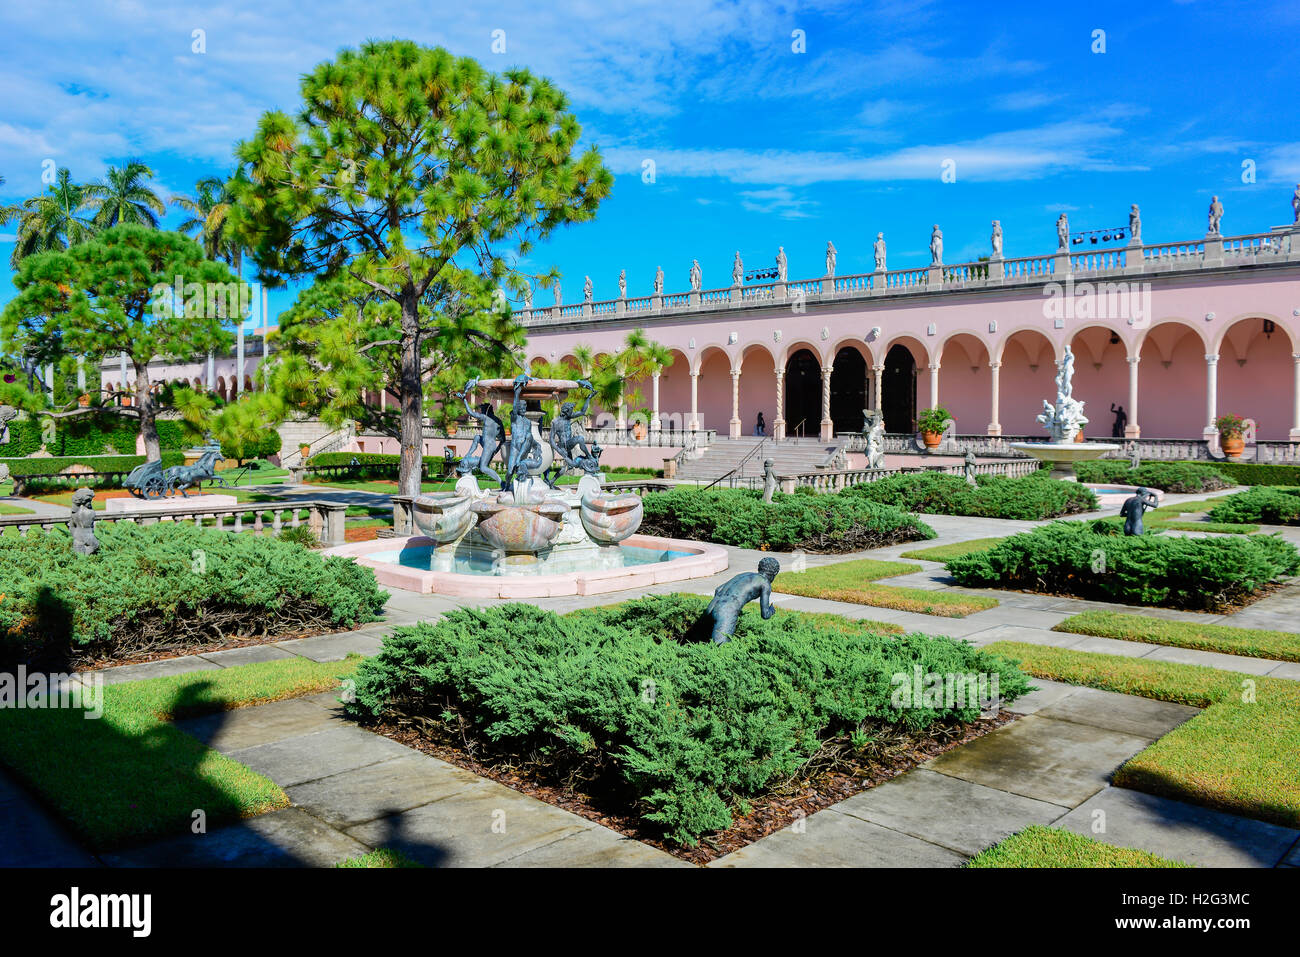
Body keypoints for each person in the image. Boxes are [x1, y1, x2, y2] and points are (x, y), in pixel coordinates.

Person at [699, 557, 780, 644]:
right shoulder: (765, 583)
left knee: (701, 642)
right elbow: (765, 614)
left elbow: (718, 589)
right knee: (721, 648)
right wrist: (771, 610)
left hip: (712, 606)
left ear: (759, 568)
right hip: (727, 611)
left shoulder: (745, 575)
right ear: (775, 573)